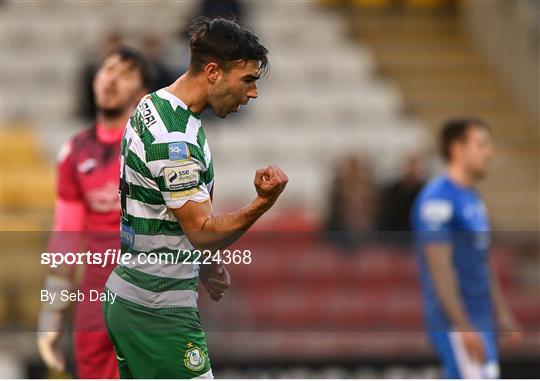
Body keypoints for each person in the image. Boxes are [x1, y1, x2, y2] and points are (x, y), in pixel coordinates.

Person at [103, 17, 288, 379]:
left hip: (136, 297)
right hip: (156, 310)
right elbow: (201, 229)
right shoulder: (177, 141)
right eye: (247, 80)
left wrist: (202, 263)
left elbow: (163, 210)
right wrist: (262, 204)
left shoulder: (154, 104)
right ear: (214, 72)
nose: (253, 93)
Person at [36, 46, 230, 378]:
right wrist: (51, 314)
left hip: (155, 295)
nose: (111, 78)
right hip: (96, 302)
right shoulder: (75, 152)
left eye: (125, 73)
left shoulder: (159, 145)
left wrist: (210, 264)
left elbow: (197, 221)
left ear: (142, 93)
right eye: (106, 69)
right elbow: (65, 238)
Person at [411, 117, 522, 378]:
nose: (489, 151)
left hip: (480, 318)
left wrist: (502, 314)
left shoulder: (472, 197)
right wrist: (462, 326)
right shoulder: (437, 199)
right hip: (457, 322)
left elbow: (483, 260)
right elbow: (440, 268)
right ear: (457, 149)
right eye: (481, 144)